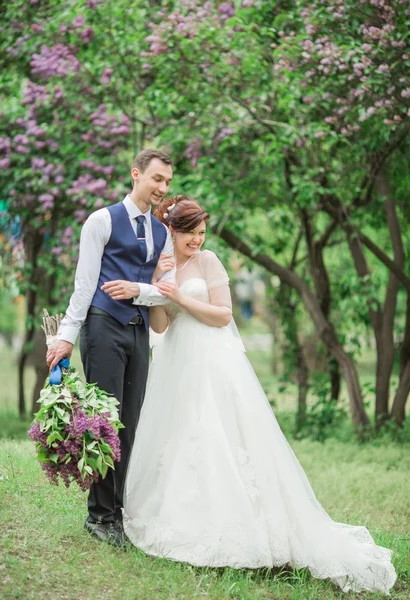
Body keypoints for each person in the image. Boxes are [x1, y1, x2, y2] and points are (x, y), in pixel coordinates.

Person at [123, 196, 397, 594]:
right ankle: (184, 518)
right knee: (181, 436)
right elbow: (162, 327)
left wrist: (181, 295)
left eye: (201, 233)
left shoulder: (209, 261)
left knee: (220, 434)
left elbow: (223, 314)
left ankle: (247, 526)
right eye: (190, 235)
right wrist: (160, 292)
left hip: (212, 360)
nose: (197, 241)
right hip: (176, 360)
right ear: (172, 232)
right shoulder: (162, 265)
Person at [46, 149, 176, 547]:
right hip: (103, 327)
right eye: (157, 179)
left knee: (131, 422)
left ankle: (118, 511)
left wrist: (142, 289)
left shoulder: (162, 232)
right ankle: (99, 516)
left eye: (168, 182)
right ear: (136, 174)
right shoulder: (100, 221)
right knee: (105, 420)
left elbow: (166, 292)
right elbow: (84, 284)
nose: (162, 188)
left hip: (139, 332)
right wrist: (67, 335)